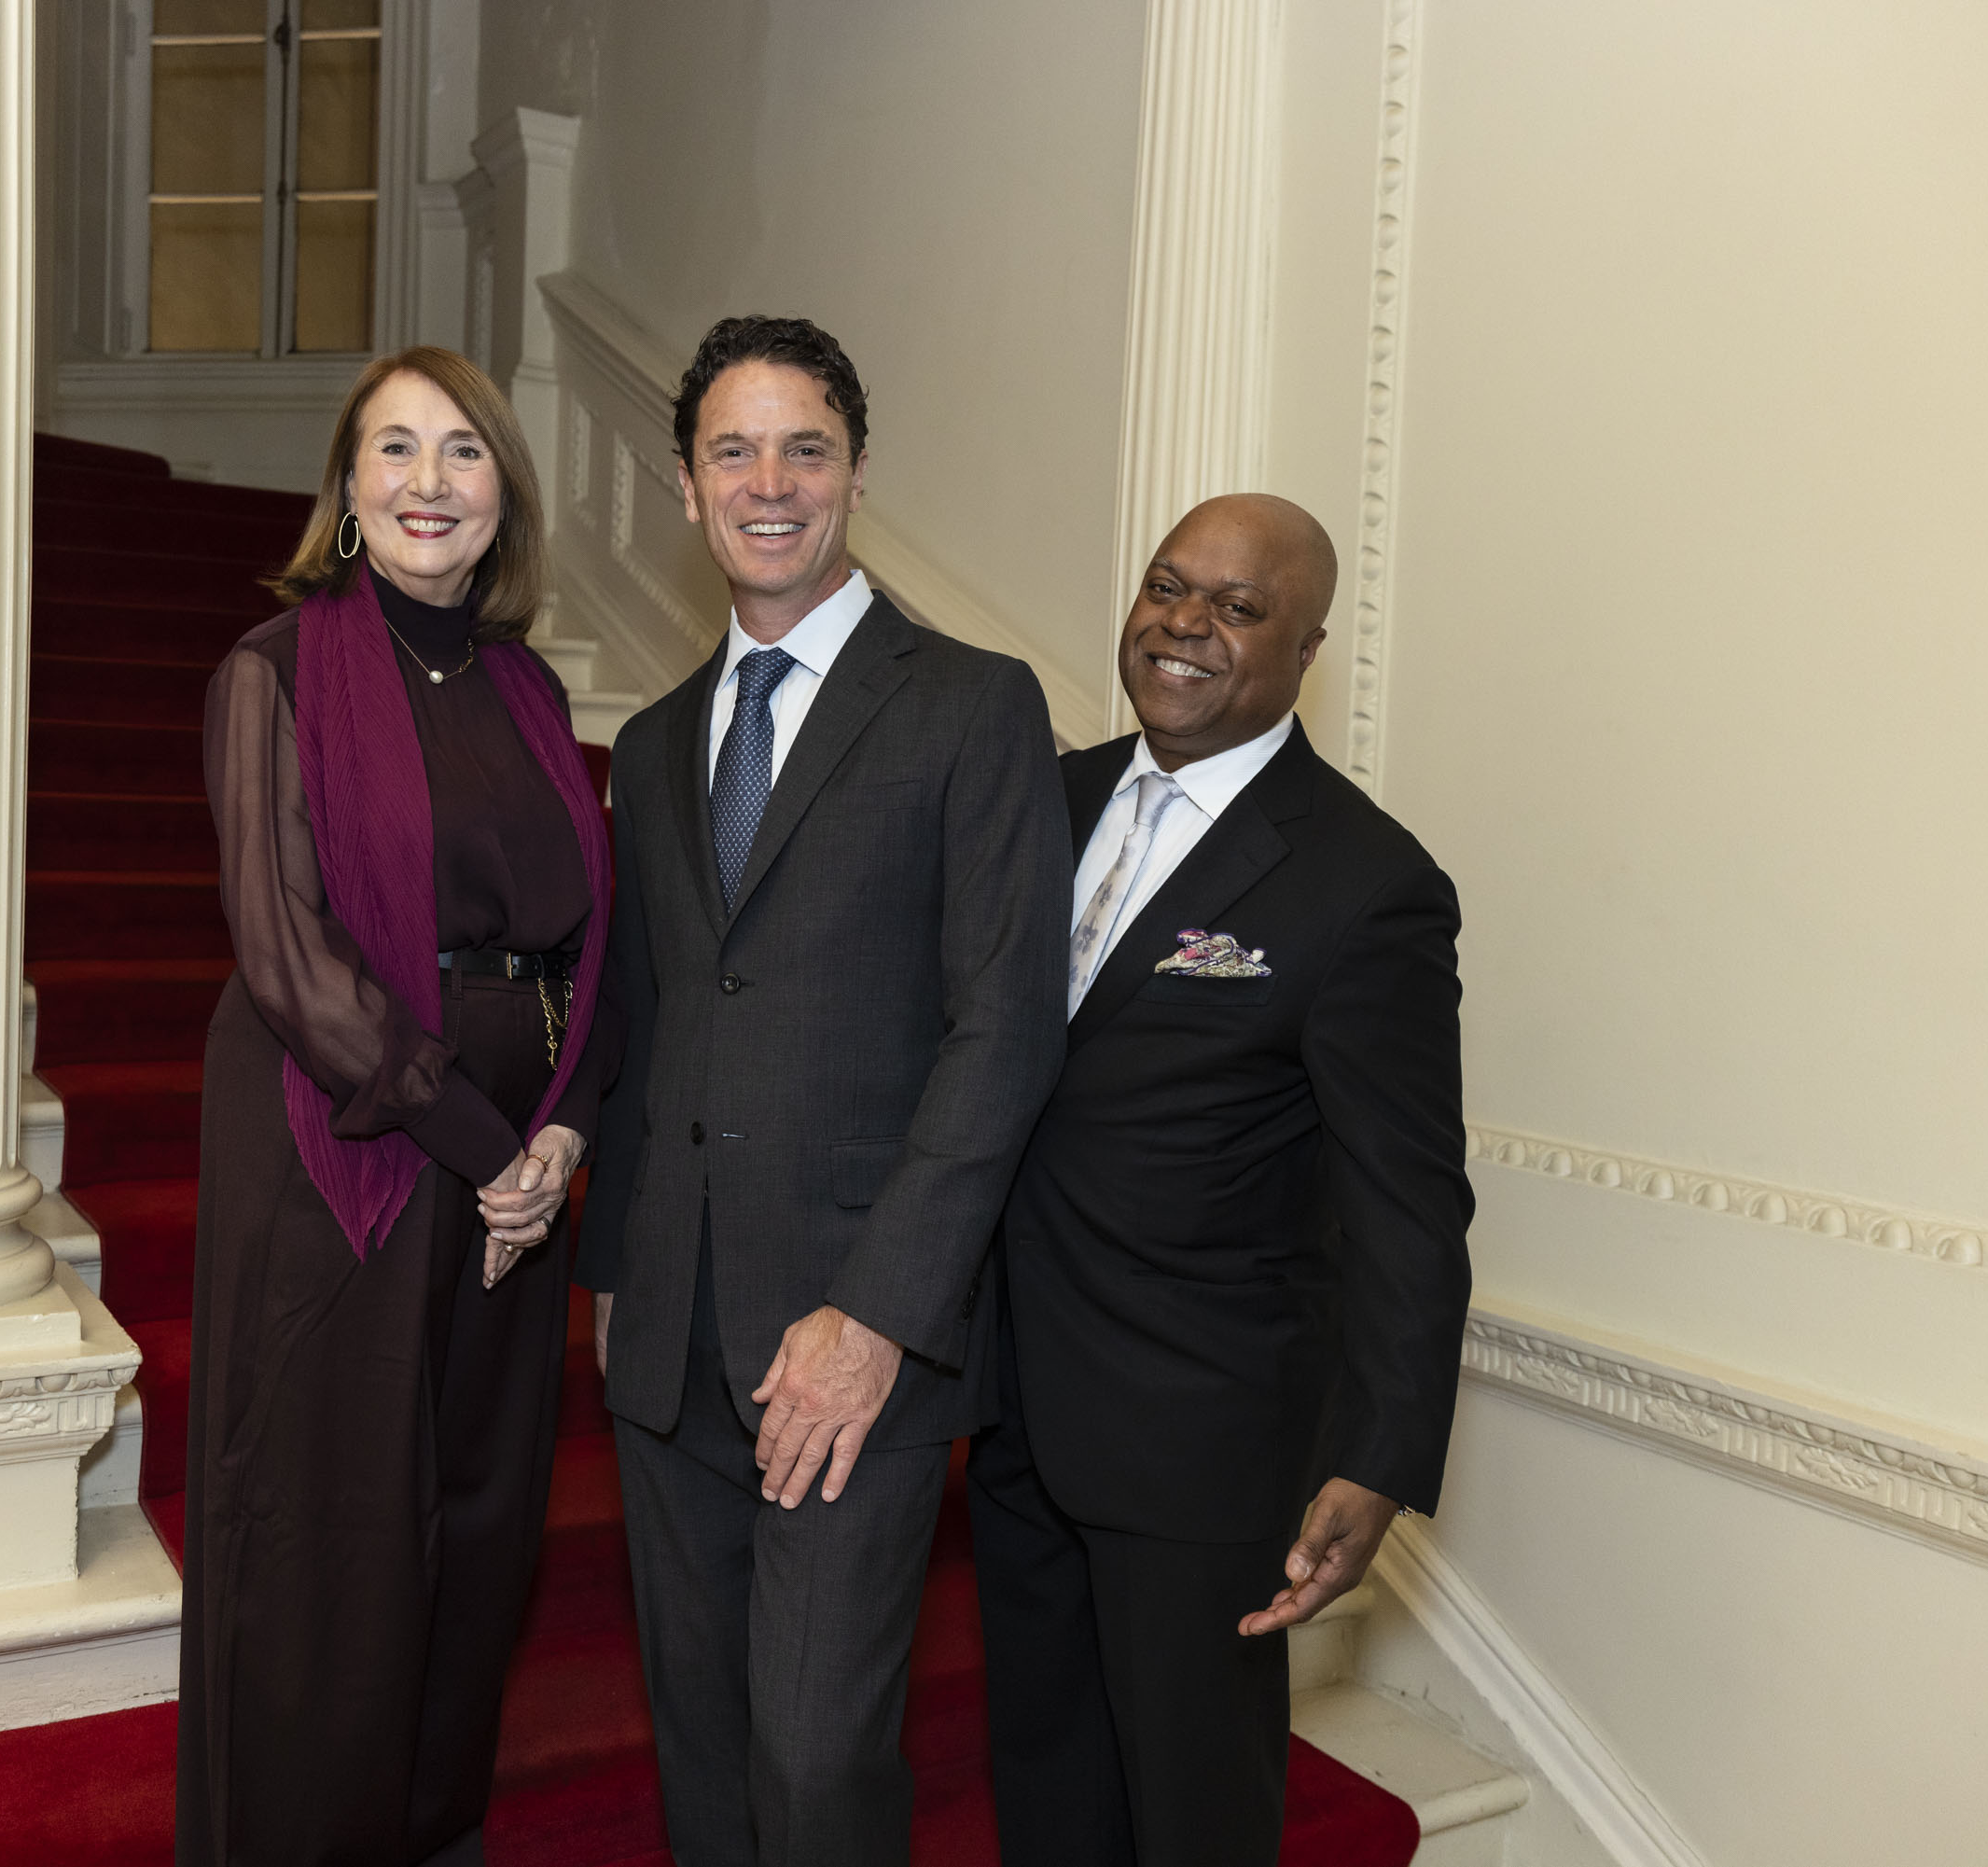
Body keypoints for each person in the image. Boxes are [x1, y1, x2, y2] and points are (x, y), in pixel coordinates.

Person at [575, 315, 1068, 1867]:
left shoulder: (975, 705)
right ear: (684, 483)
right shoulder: (655, 744)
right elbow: (649, 1029)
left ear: (857, 472)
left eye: (806, 448)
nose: (768, 482)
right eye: (734, 450)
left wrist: (877, 1320)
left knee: (815, 1762)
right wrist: (612, 1275)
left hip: (855, 1340)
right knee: (706, 1752)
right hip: (670, 1343)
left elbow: (1006, 1033)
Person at [969, 495, 1475, 1865]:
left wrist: (1378, 1455)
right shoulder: (1046, 797)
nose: (1185, 624)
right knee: (1051, 1787)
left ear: (1307, 645)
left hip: (1200, 1441)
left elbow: (1411, 1199)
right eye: (1166, 587)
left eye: (1237, 607)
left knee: (1193, 1811)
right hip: (1014, 1404)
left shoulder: (1367, 883)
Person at [176, 345, 614, 1867]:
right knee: (332, 1525)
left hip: (515, 1147)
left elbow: (597, 935)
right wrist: (488, 1146)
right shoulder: (274, 670)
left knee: (481, 1512)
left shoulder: (531, 686)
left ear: (505, 494)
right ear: (349, 490)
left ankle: (432, 1829)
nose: (433, 482)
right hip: (344, 1139)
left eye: (466, 453)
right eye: (398, 451)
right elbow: (289, 952)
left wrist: (563, 1127)